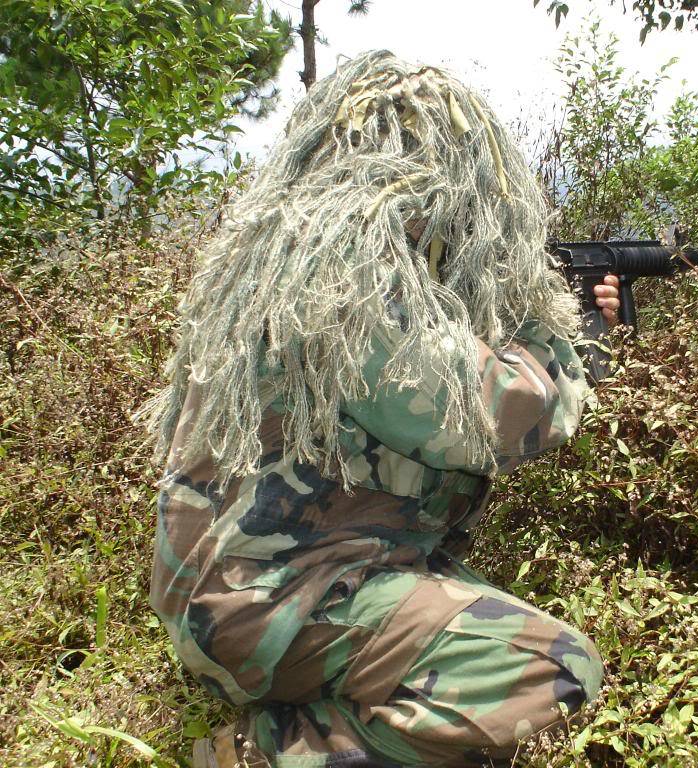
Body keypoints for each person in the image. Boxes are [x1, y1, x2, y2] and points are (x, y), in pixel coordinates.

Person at [140, 50, 620, 768]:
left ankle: (312, 695)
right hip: (261, 604)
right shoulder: (349, 277)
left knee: (488, 618)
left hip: (238, 587)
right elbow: (497, 417)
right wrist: (563, 335)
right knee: (553, 667)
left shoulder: (292, 253)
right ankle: (246, 758)